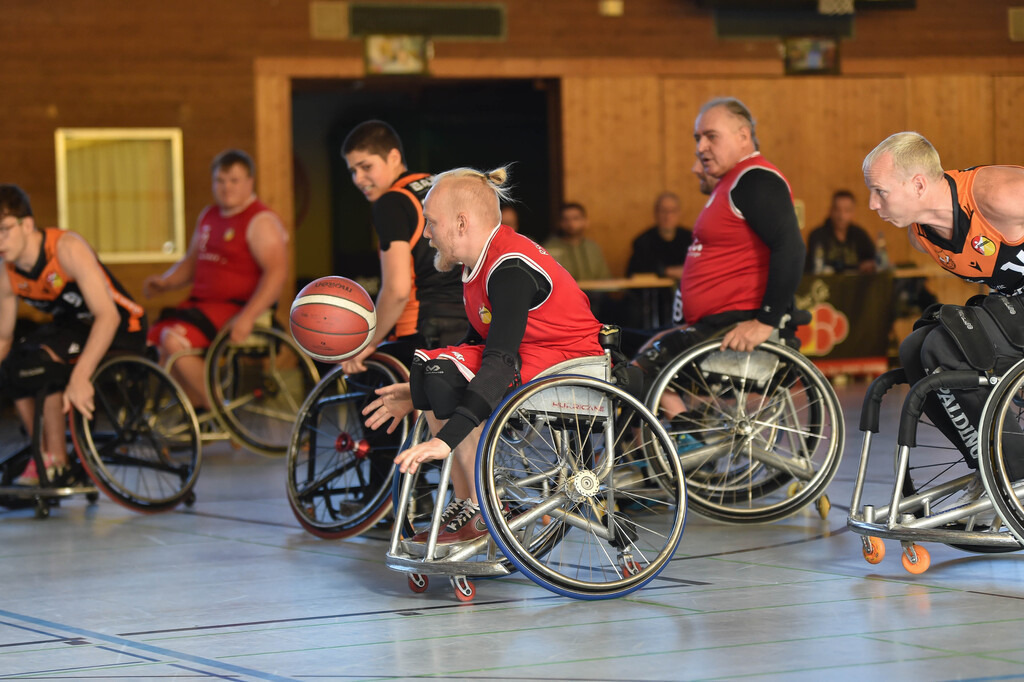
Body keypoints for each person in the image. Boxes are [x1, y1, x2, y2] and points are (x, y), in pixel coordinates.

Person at [362, 166, 603, 543]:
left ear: (461, 222)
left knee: (443, 373)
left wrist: (445, 440)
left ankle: (481, 507)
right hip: (538, 355)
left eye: (431, 223)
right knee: (429, 365)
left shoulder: (510, 268)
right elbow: (473, 346)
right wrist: (414, 392)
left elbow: (499, 360)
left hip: (572, 361)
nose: (425, 234)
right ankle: (468, 505)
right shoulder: (478, 264)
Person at [862, 131, 1024, 490]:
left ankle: (1014, 470)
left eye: (880, 191)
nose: (873, 204)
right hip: (1015, 307)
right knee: (915, 348)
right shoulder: (921, 237)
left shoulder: (999, 195)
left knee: (944, 346)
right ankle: (989, 461)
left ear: (918, 184)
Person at [634, 97, 805, 388]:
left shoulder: (755, 179)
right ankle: (679, 427)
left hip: (730, 325)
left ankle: (686, 430)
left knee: (636, 373)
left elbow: (790, 247)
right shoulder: (729, 182)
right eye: (697, 138)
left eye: (710, 137)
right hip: (709, 325)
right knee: (627, 349)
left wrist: (765, 322)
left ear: (743, 136)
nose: (700, 148)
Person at [0, 184, 147, 485]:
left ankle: (55, 459)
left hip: (121, 325)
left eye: (4, 230)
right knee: (13, 365)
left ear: (27, 224)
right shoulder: (7, 273)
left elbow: (107, 315)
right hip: (73, 328)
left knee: (43, 360)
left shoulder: (66, 249)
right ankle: (41, 455)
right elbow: (3, 338)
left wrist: (80, 378)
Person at [143, 149, 287, 410]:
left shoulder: (260, 220)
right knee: (156, 341)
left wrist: (248, 317)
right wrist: (165, 282)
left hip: (233, 309)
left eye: (233, 180)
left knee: (173, 340)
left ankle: (219, 411)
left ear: (249, 182)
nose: (226, 187)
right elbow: (191, 263)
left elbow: (276, 273)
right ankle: (197, 408)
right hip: (200, 307)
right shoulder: (209, 216)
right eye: (220, 181)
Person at [340, 120, 467, 373]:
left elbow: (397, 290)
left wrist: (369, 341)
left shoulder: (391, 203)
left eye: (366, 167)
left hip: (421, 331)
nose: (358, 179)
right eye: (353, 171)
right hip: (472, 323)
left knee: (373, 403)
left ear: (394, 156)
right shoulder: (441, 186)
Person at [625, 191, 693, 329]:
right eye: (663, 211)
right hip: (651, 303)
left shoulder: (690, 238)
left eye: (672, 211)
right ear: (655, 213)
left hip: (686, 297)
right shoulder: (642, 241)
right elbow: (636, 273)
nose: (668, 216)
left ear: (679, 213)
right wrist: (670, 271)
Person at [804, 190, 877, 274]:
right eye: (837, 210)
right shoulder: (817, 235)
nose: (841, 216)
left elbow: (873, 260)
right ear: (831, 211)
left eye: (847, 210)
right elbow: (814, 265)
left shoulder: (859, 235)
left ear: (853, 212)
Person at [542, 202, 611, 282]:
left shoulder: (592, 247)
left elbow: (605, 278)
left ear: (585, 221)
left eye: (576, 218)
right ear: (559, 223)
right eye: (566, 219)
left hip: (595, 292)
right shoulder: (549, 248)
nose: (571, 224)